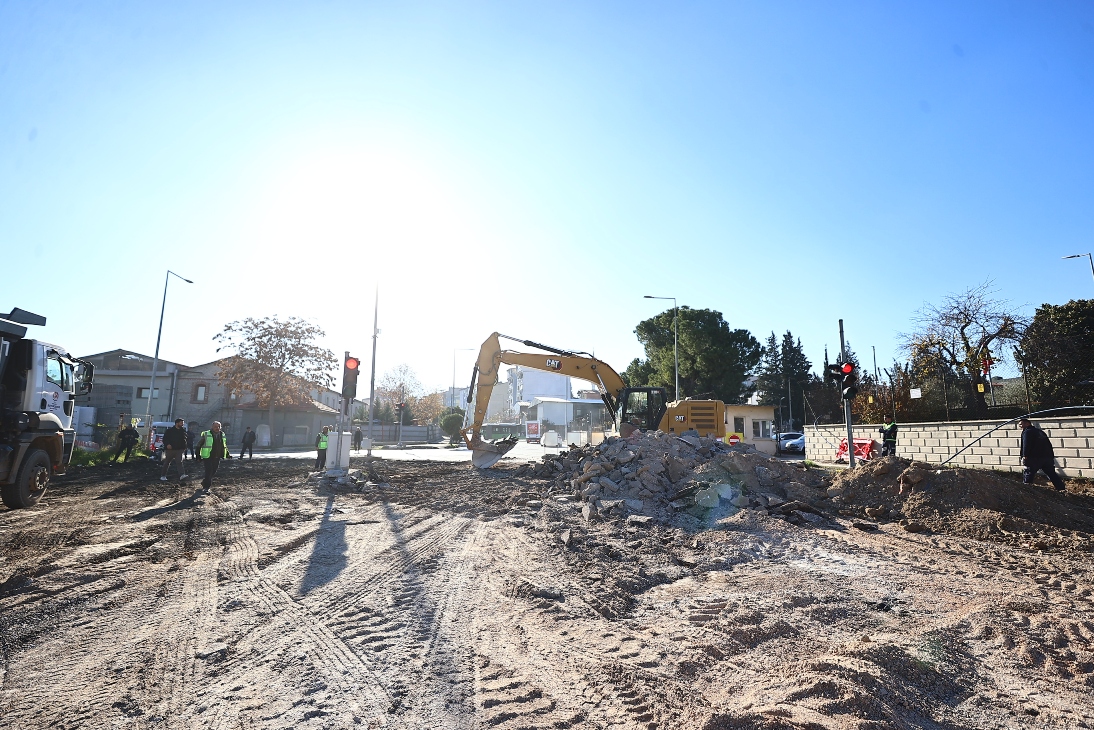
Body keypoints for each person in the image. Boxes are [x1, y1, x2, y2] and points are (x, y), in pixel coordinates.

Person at [1020, 418, 1066, 492]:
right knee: (1051, 473)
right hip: (1046, 458)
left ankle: (1026, 490)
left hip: (1034, 458)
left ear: (1027, 423)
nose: (1020, 426)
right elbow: (1049, 444)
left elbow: (1026, 444)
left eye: (1021, 424)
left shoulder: (1027, 432)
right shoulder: (1040, 432)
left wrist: (1025, 455)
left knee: (1028, 473)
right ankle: (1061, 488)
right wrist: (1051, 456)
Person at [196, 421, 231, 495]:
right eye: (215, 427)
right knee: (209, 471)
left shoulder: (222, 434)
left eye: (219, 427)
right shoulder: (206, 434)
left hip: (217, 456)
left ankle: (205, 482)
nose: (217, 428)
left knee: (213, 471)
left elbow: (224, 446)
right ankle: (206, 488)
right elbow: (199, 445)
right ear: (212, 427)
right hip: (208, 456)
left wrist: (227, 454)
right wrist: (198, 456)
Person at [160, 418, 191, 482]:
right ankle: (163, 475)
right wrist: (167, 444)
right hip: (170, 450)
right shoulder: (170, 431)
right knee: (167, 462)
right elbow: (165, 439)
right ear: (177, 423)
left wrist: (184, 447)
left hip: (179, 450)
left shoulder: (183, 431)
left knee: (179, 462)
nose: (182, 424)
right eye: (181, 423)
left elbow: (185, 440)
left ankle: (182, 475)